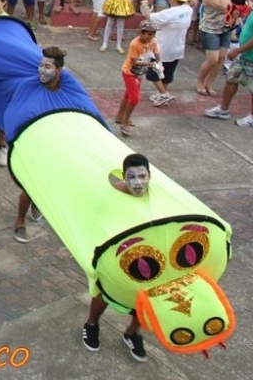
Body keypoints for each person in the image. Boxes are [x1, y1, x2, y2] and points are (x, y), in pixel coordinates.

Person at [82, 154, 152, 362]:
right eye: (131, 177)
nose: (137, 183)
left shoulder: (157, 196)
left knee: (145, 299)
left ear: (150, 175)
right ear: (123, 176)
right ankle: (91, 324)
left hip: (147, 255)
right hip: (116, 254)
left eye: (142, 176)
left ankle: (132, 333)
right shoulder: (111, 197)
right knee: (105, 291)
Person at [13, 47, 66, 242]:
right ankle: (20, 221)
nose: (42, 70)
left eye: (48, 67)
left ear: (58, 70)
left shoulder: (67, 89)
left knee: (48, 182)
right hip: (32, 144)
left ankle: (37, 202)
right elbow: (17, 113)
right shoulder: (29, 86)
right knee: (30, 186)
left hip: (56, 145)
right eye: (41, 65)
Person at [143, 0, 193, 106]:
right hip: (177, 48)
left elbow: (149, 17)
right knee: (167, 73)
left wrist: (145, 5)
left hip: (162, 48)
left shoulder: (168, 13)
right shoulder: (188, 9)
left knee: (153, 74)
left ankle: (164, 94)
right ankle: (161, 94)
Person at [115, 20, 161, 136]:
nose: (151, 37)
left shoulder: (153, 41)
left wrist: (159, 63)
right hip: (130, 73)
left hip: (140, 72)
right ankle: (125, 122)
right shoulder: (135, 44)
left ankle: (120, 116)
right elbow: (135, 62)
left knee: (129, 95)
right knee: (134, 98)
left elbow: (156, 53)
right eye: (149, 34)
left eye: (153, 34)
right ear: (141, 32)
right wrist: (150, 65)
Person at [195, 0, 233, 96]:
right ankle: (200, 82)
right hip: (210, 29)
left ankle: (209, 83)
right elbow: (222, 7)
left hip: (225, 28)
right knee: (212, 59)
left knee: (221, 58)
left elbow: (231, 7)